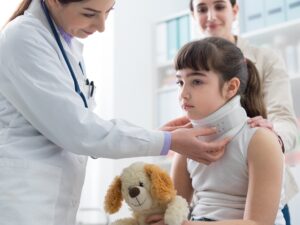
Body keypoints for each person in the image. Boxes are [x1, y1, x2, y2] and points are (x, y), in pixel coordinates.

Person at [0, 1, 230, 225]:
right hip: (23, 201)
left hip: (47, 200)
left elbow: (85, 125)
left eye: (108, 12)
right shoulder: (22, 38)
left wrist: (160, 136)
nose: (101, 26)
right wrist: (166, 141)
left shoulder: (65, 44)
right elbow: (79, 131)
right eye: (89, 13)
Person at [148, 37, 285, 225]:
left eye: (196, 81)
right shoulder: (186, 146)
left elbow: (258, 223)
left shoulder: (260, 140)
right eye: (180, 82)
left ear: (231, 87)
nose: (183, 94)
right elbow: (173, 213)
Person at [187, 1, 299, 224]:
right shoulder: (190, 65)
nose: (210, 16)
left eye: (219, 6)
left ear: (234, 11)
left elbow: (285, 119)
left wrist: (272, 138)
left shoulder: (266, 58)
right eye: (201, 9)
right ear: (193, 15)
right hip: (210, 199)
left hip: (263, 190)